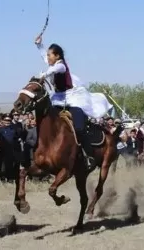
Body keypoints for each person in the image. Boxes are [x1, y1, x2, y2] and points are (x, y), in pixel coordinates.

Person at [34, 35, 113, 169]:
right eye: (47, 55)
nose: (47, 58)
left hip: (73, 99)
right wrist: (39, 45)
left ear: (57, 56)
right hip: (59, 99)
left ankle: (89, 156)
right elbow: (45, 59)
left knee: (79, 128)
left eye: (50, 55)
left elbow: (54, 69)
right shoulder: (52, 63)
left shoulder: (61, 66)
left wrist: (43, 75)